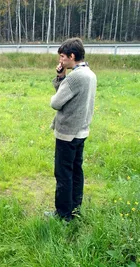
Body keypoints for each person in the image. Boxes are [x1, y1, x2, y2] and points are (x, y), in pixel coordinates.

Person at [47, 38, 97, 222]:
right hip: (81, 131)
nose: (60, 61)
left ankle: (63, 215)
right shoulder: (90, 74)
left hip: (67, 133)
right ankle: (75, 209)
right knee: (76, 171)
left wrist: (63, 78)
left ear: (72, 56)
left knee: (63, 174)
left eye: (62, 57)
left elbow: (55, 102)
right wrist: (61, 76)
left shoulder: (76, 77)